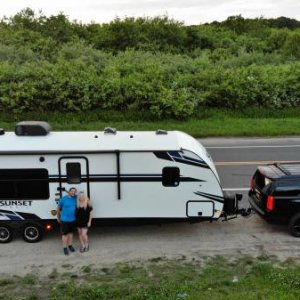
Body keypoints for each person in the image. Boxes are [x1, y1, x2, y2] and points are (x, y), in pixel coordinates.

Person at [56, 187, 77, 255]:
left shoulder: (75, 198)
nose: (73, 192)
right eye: (72, 191)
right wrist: (58, 217)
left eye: (74, 191)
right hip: (64, 219)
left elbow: (78, 196)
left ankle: (70, 246)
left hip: (73, 219)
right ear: (69, 191)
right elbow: (58, 208)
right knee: (65, 234)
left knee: (71, 233)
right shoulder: (64, 199)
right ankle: (65, 248)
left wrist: (70, 192)